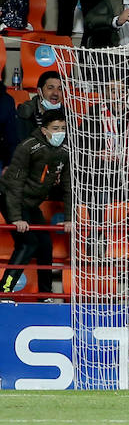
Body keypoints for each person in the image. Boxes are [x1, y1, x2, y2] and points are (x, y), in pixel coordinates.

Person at [0, 108, 69, 296]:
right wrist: (15, 218)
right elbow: (14, 184)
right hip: (10, 197)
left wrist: (70, 218)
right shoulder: (28, 147)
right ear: (44, 130)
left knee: (45, 245)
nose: (60, 133)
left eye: (63, 128)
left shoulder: (65, 151)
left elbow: (68, 186)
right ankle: (4, 291)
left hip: (31, 203)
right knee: (28, 243)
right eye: (55, 128)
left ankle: (45, 296)